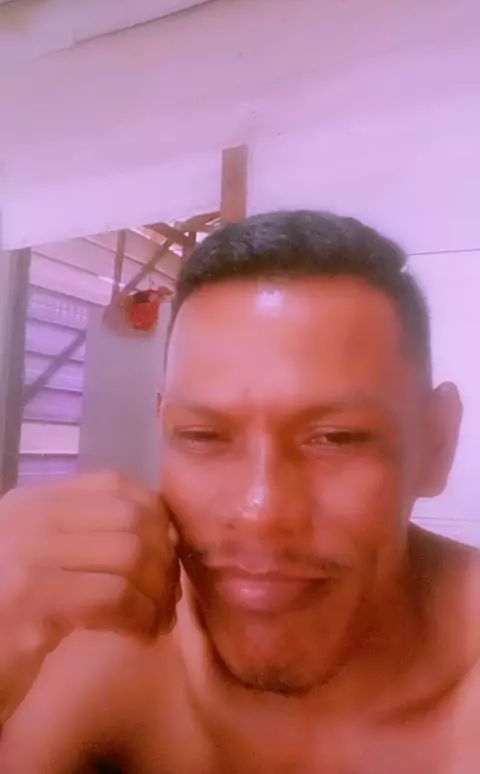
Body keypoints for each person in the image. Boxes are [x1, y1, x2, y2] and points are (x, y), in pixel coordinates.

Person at [0, 209, 477, 774]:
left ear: (436, 443)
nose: (260, 511)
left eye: (335, 437)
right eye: (203, 436)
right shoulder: (94, 635)